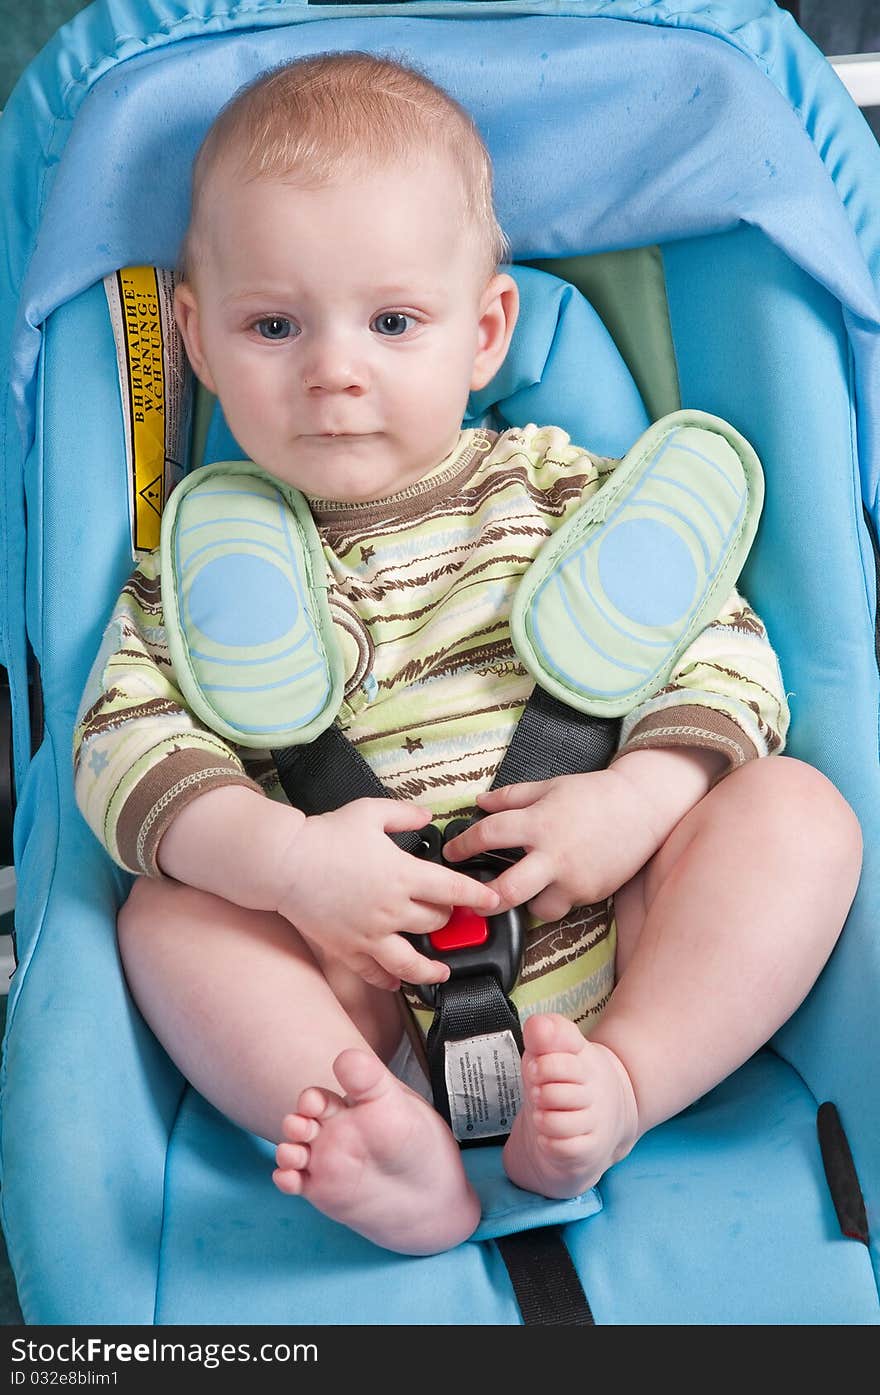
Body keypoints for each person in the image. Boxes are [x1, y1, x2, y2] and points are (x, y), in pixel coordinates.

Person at [73, 51, 862, 1257]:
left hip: (615, 933)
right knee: (166, 918)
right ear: (193, 335)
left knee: (798, 814)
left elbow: (721, 655)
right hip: (355, 985)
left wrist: (637, 801)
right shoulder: (196, 566)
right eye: (272, 324)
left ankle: (625, 1087)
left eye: (393, 322)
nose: (335, 370)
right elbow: (124, 749)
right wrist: (283, 865)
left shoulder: (559, 492)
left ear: (486, 329)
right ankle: (387, 1143)